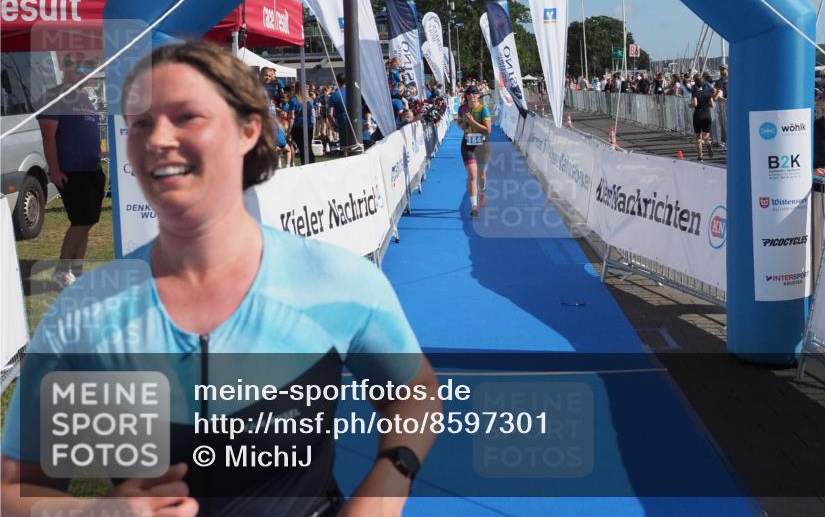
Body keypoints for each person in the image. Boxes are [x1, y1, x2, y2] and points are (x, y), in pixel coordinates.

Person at [1, 41, 440, 516]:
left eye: (186, 116)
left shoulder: (337, 280)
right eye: (141, 122)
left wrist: (387, 484)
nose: (156, 139)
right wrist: (93, 513)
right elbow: (15, 489)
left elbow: (415, 394)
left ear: (248, 129)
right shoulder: (84, 311)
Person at [37, 53, 105, 289]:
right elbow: (49, 136)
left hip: (92, 169)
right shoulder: (55, 96)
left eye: (85, 71)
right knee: (81, 221)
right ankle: (61, 271)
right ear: (65, 71)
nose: (82, 75)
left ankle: (76, 270)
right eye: (77, 70)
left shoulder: (85, 98)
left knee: (88, 221)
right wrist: (55, 170)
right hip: (71, 171)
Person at [457, 85, 492, 217]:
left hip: (482, 145)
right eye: (470, 94)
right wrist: (463, 124)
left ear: (478, 96)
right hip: (467, 144)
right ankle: (474, 206)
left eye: (475, 94)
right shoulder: (462, 109)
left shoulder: (483, 110)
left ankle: (482, 191)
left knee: (482, 176)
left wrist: (472, 122)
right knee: (472, 176)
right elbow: (460, 123)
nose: (473, 96)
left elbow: (488, 130)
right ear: (466, 96)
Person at [689, 76, 714, 161]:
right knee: (706, 136)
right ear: (703, 84)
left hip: (698, 115)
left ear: (696, 84)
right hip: (707, 115)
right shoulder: (708, 93)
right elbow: (713, 105)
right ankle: (708, 143)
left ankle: (700, 157)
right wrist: (707, 104)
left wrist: (690, 105)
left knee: (698, 137)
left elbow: (695, 104)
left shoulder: (695, 93)